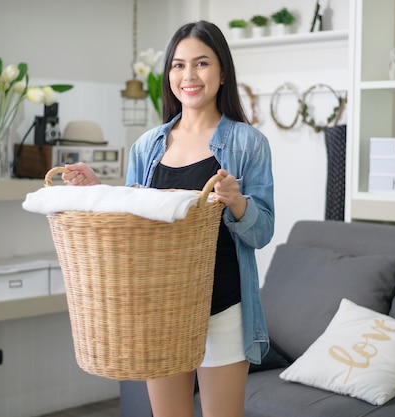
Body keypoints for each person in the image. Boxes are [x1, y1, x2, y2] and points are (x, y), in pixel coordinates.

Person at [62, 20, 275, 417]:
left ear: (222, 71)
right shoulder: (147, 145)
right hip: (162, 308)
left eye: (201, 63)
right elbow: (131, 223)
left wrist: (238, 203)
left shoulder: (248, 143)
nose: (188, 76)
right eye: (178, 65)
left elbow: (263, 231)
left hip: (225, 306)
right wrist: (95, 190)